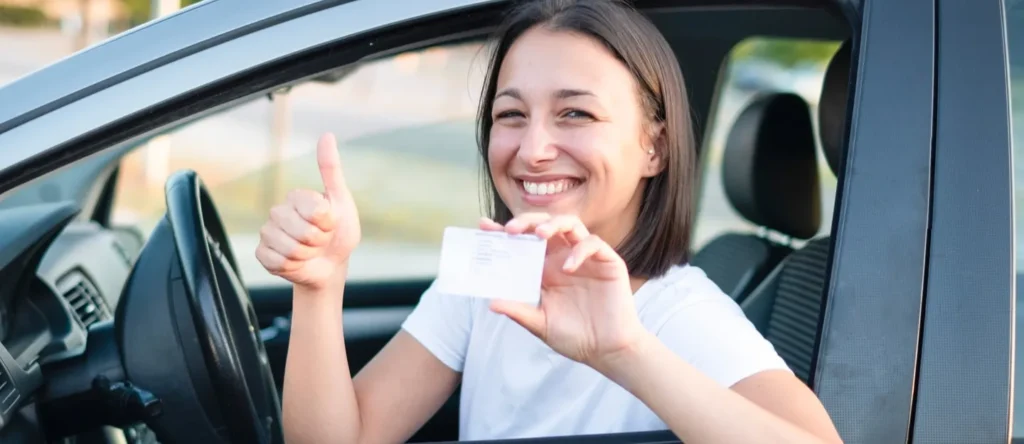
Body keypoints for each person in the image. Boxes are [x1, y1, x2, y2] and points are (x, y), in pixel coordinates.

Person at [254, 0, 844, 443]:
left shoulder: (678, 311)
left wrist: (624, 351)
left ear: (653, 148)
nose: (533, 148)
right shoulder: (491, 275)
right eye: (511, 114)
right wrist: (319, 286)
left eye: (575, 113)